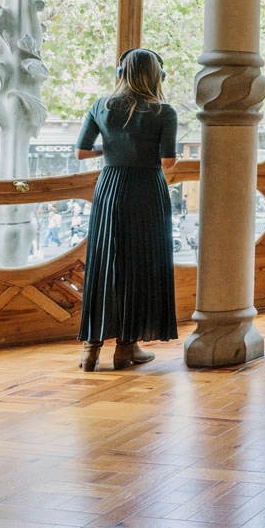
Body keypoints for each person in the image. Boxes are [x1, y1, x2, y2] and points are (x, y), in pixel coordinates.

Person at [74, 48, 179, 372]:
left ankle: (91, 350)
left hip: (109, 189)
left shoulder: (100, 106)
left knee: (105, 263)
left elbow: (81, 152)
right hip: (147, 190)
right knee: (141, 265)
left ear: (121, 73)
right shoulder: (164, 112)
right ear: (156, 75)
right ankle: (125, 348)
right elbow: (167, 161)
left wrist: (115, 147)